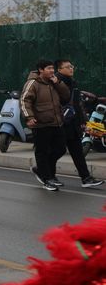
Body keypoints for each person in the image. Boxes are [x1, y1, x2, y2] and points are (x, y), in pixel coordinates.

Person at [21, 59, 71, 191]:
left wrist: (58, 83)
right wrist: (29, 117)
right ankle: (47, 179)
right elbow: (24, 101)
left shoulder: (54, 82)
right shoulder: (33, 83)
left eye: (52, 68)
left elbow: (66, 96)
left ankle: (42, 170)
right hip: (41, 124)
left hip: (56, 122)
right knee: (42, 152)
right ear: (41, 70)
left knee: (60, 149)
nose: (51, 71)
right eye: (48, 68)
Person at [53, 59, 103, 188]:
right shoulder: (56, 83)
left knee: (78, 152)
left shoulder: (72, 82)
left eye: (72, 66)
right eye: (68, 67)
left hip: (73, 123)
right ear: (59, 69)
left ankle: (86, 178)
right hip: (61, 123)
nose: (71, 69)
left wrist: (84, 121)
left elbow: (77, 104)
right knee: (58, 150)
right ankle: (43, 170)